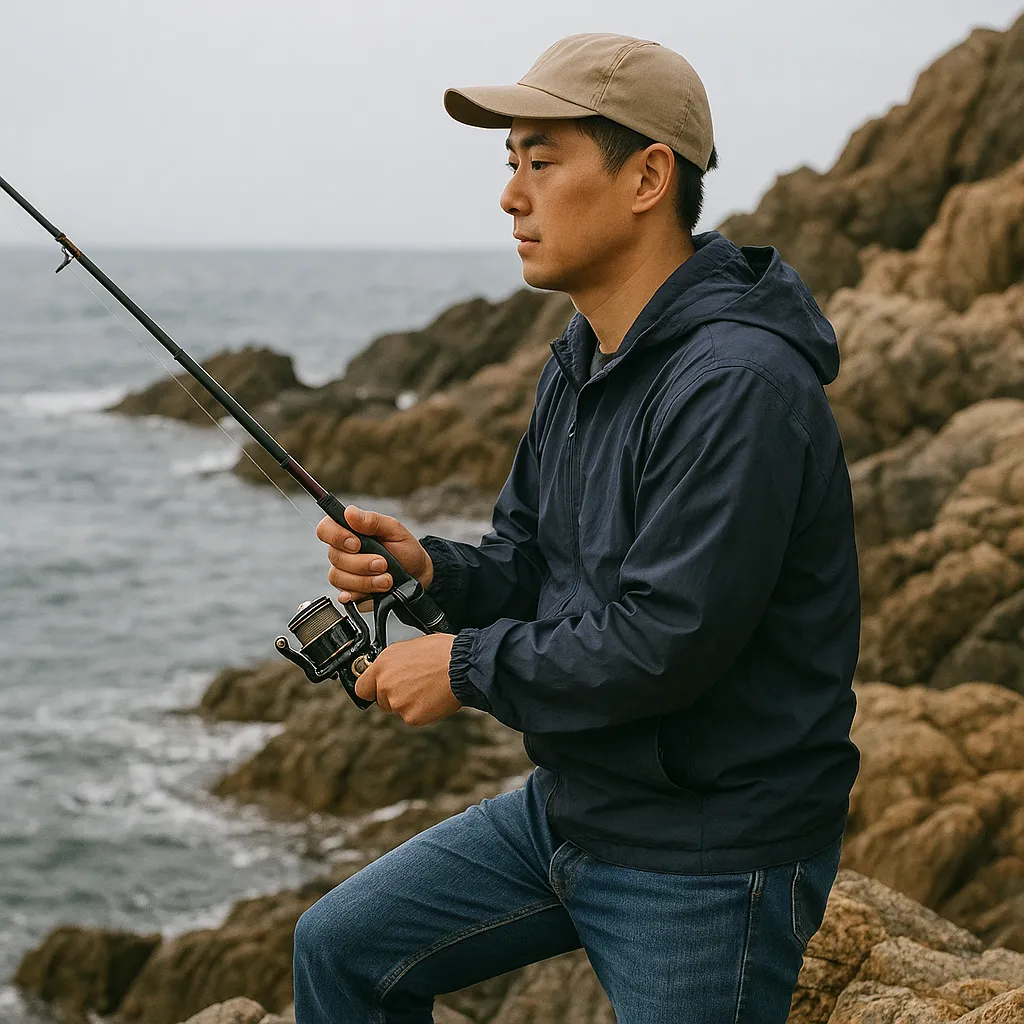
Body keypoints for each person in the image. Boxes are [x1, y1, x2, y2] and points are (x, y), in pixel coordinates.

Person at [293, 32, 860, 1024]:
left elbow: (662, 644)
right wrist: (428, 571)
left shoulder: (738, 384)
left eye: (542, 163)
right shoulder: (583, 356)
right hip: (575, 806)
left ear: (647, 176)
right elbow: (533, 561)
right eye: (510, 165)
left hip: (706, 848)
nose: (512, 196)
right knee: (337, 948)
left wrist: (461, 666)